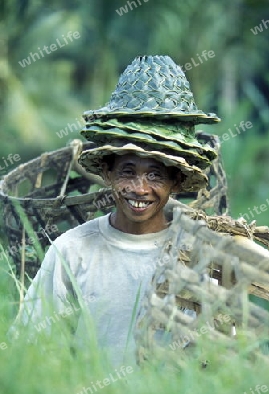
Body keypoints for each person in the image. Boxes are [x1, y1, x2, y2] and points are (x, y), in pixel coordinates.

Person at [10, 55, 220, 366]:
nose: (139, 188)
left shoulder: (200, 251)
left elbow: (221, 351)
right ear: (107, 174)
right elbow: (29, 344)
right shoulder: (73, 249)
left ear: (176, 181)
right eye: (127, 171)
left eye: (155, 174)